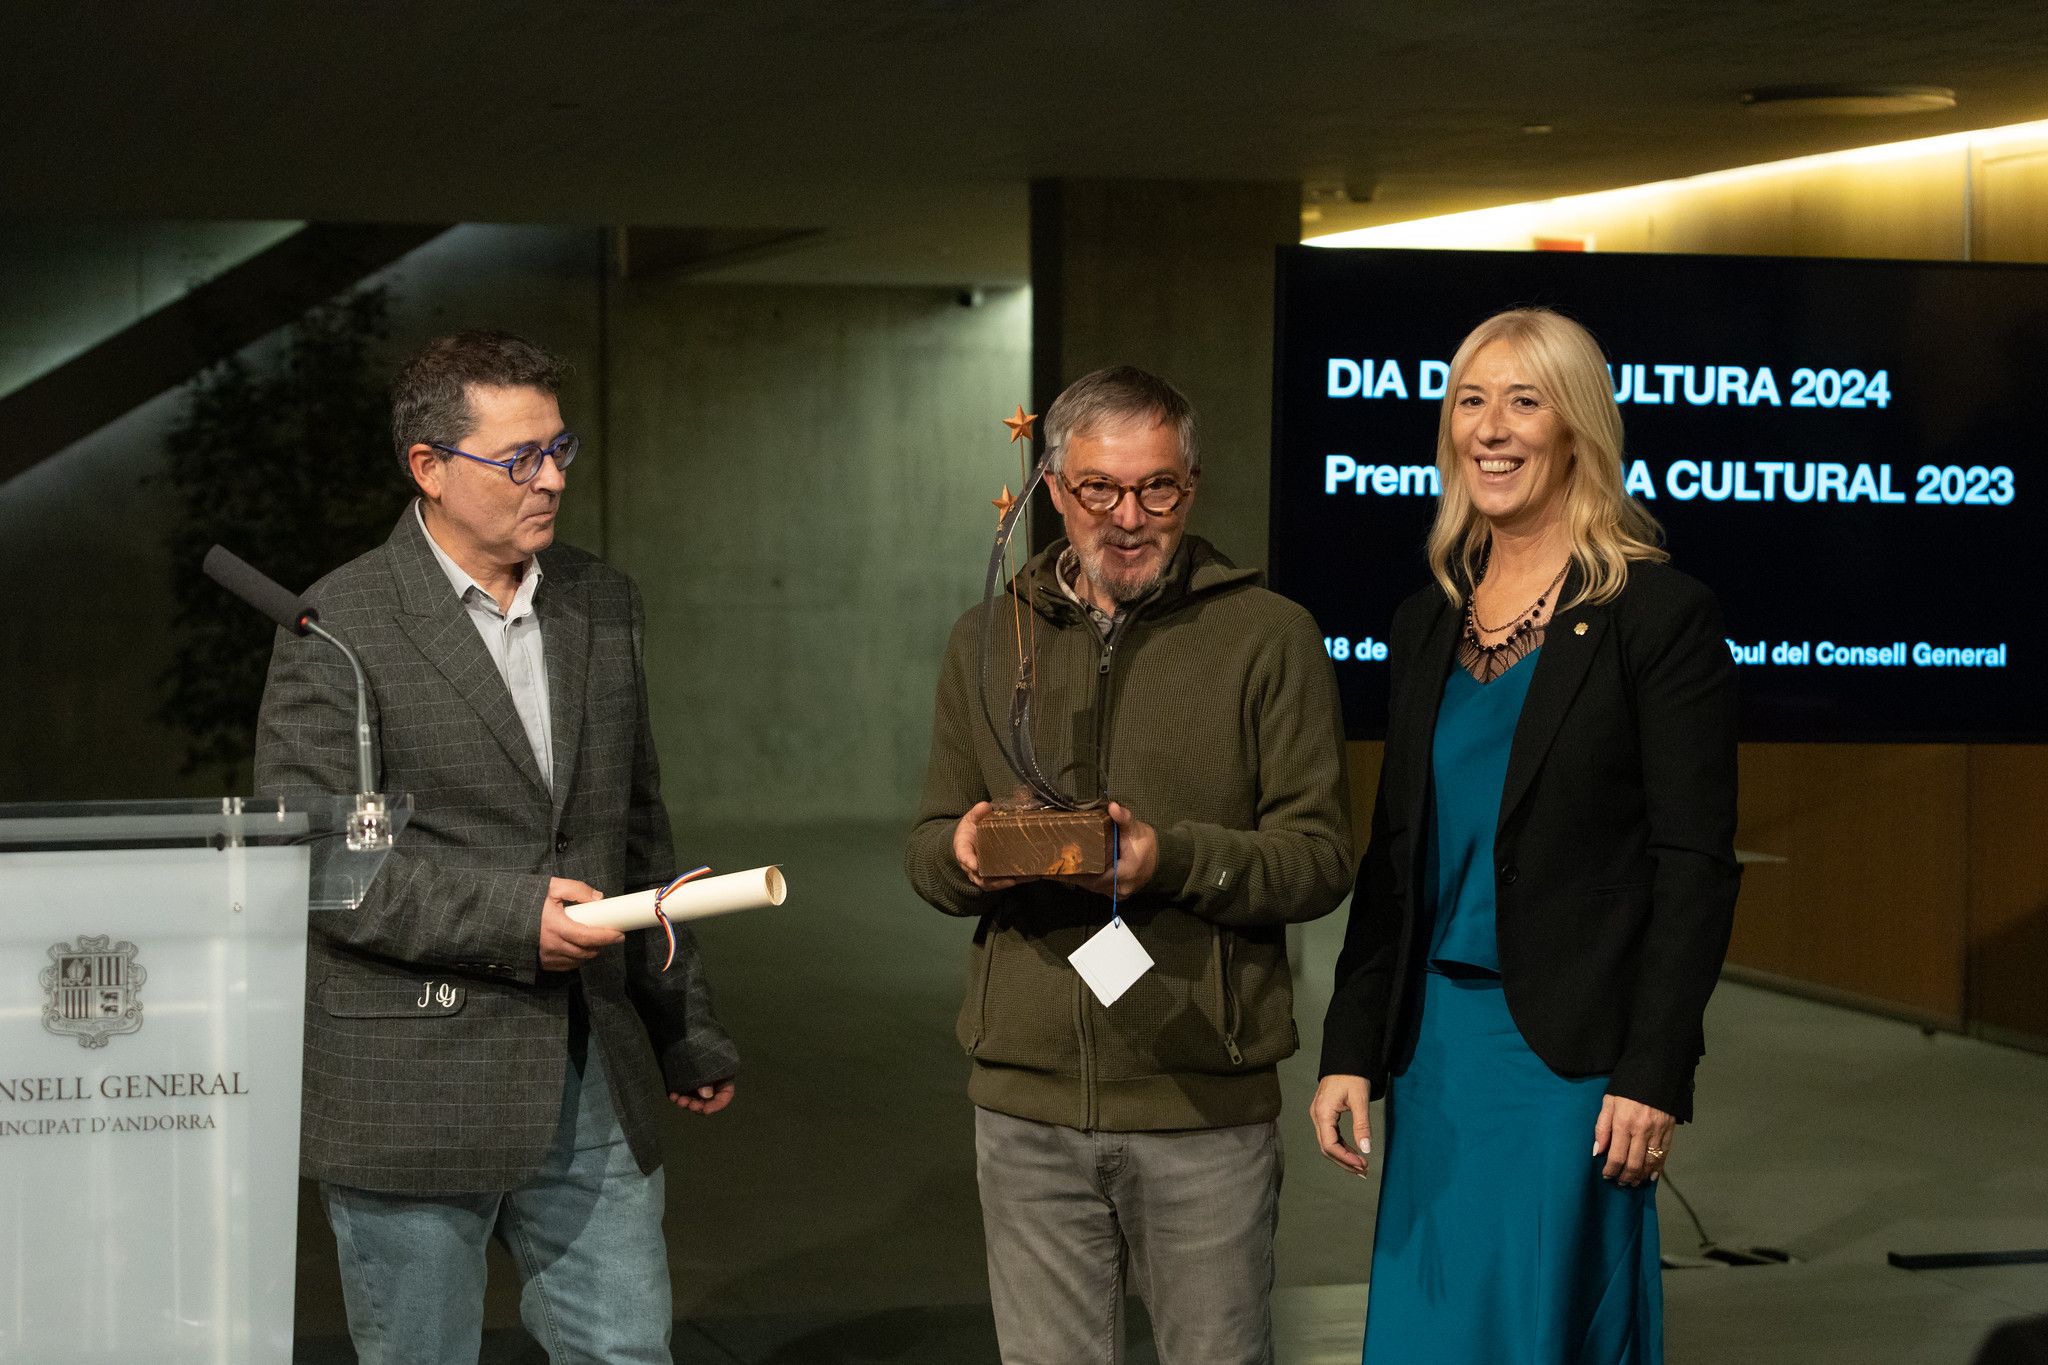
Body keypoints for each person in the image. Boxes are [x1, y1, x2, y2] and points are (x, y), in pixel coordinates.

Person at [256, 330, 738, 1365]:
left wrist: (680, 1026)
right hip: (411, 1077)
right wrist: (512, 918)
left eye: (560, 448)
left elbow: (637, 827)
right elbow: (319, 860)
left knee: (625, 1353)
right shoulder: (337, 625)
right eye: (519, 458)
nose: (551, 477)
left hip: (588, 1062)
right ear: (427, 468)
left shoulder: (601, 602)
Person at [1310, 307, 1740, 1365]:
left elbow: (1691, 866)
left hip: (1568, 1063)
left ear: (1576, 429)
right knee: (1430, 1333)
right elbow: (1394, 854)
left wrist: (1653, 1071)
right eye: (1469, 400)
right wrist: (1349, 1050)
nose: (1489, 429)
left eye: (1522, 400)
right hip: (1435, 1060)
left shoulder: (1655, 614)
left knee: (1538, 1331)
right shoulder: (1425, 621)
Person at [906, 366, 1354, 1365]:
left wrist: (1165, 857)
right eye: (1098, 489)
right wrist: (967, 852)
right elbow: (928, 845)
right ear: (1054, 490)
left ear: (1188, 491)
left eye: (1155, 488)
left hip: (1199, 1093)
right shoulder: (984, 638)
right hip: (1024, 1102)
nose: (1127, 517)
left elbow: (1318, 859)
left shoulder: (1267, 638)